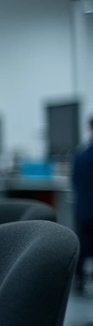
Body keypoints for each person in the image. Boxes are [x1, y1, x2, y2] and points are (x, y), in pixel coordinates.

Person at [74, 115, 93, 294]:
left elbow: (75, 182)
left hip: (83, 210)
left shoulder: (80, 155)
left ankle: (79, 280)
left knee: (83, 245)